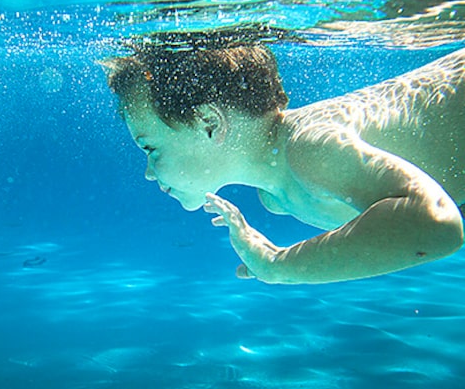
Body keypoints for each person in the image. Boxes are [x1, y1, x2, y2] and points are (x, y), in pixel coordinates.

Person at [103, 30, 465, 284]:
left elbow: (435, 224)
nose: (149, 172)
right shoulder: (277, 197)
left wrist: (279, 264)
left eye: (150, 148)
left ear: (209, 123)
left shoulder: (309, 149)